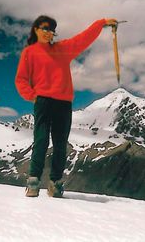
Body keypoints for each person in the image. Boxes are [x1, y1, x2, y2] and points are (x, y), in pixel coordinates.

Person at [15, 15, 117, 197]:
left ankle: (55, 183)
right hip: (43, 102)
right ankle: (33, 181)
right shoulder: (29, 53)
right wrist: (32, 96)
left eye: (52, 30)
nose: (49, 32)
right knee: (41, 141)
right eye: (45, 28)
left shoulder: (62, 49)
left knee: (61, 144)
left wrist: (101, 23)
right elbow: (21, 79)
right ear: (36, 29)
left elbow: (83, 38)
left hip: (63, 103)